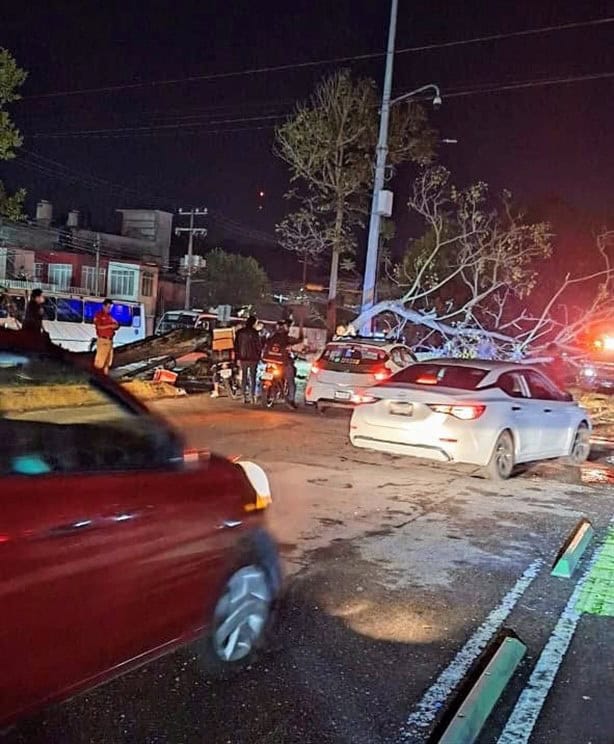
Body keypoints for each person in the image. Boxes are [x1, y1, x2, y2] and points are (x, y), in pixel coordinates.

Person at [262, 320, 304, 409]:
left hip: (270, 362)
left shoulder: (271, 337)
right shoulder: (286, 338)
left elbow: (264, 343)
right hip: (283, 363)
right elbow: (299, 341)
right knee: (291, 381)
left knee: (267, 375)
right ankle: (291, 400)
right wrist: (301, 333)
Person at [234, 315, 262, 403]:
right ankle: (252, 396)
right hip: (253, 358)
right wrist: (259, 356)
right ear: (253, 323)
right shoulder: (255, 333)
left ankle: (243, 396)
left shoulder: (239, 332)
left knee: (244, 377)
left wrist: (238, 358)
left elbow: (236, 346)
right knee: (253, 377)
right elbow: (259, 346)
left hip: (243, 358)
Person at [93, 298, 119, 375]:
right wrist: (110, 325)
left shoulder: (110, 316)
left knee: (107, 362)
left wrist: (115, 326)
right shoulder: (99, 315)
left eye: (110, 308)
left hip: (109, 341)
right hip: (103, 340)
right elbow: (99, 327)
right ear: (103, 306)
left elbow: (116, 324)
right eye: (108, 307)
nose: (109, 309)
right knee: (100, 362)